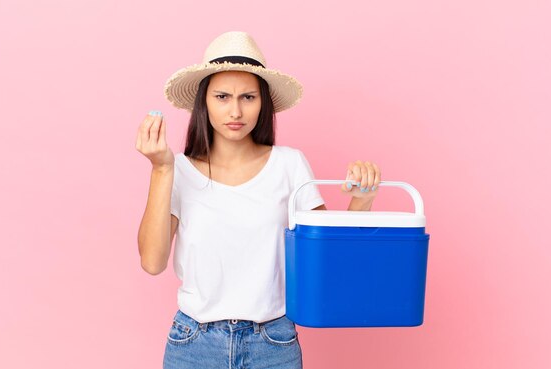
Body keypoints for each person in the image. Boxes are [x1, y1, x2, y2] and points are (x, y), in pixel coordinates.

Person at [136, 31, 381, 369]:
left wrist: (361, 202)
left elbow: (329, 263)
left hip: (273, 344)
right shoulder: (178, 169)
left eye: (248, 97)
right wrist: (161, 169)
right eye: (222, 96)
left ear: (262, 102)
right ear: (203, 102)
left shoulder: (289, 164)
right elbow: (152, 262)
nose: (235, 110)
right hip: (193, 344)